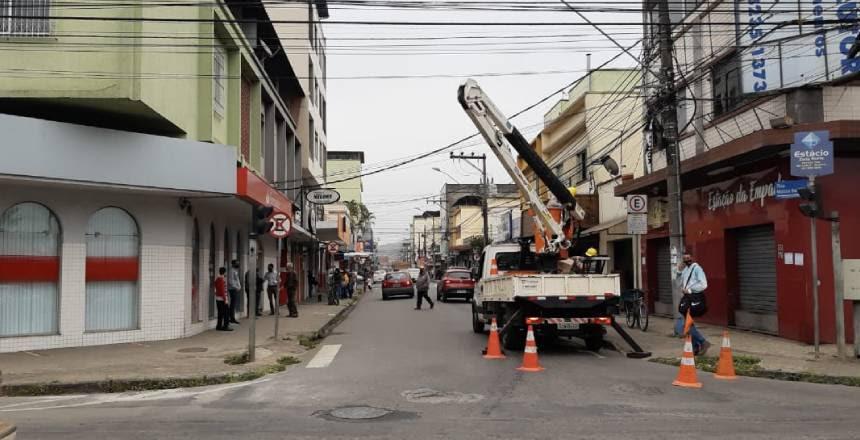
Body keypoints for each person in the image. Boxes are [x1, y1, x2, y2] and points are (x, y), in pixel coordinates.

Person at [673, 251, 712, 355]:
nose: (686, 260)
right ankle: (696, 347)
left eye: (688, 258)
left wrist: (690, 290)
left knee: (684, 324)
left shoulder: (697, 269)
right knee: (687, 323)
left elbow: (704, 285)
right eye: (684, 258)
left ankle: (703, 342)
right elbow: (678, 284)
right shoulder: (685, 270)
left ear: (693, 258)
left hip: (694, 298)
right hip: (687, 298)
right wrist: (678, 272)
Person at [214, 267, 232, 331]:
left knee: (220, 313)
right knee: (226, 313)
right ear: (224, 272)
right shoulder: (221, 279)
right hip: (222, 299)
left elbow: (216, 288)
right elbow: (222, 291)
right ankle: (225, 326)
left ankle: (218, 326)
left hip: (218, 299)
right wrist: (225, 299)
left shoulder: (217, 279)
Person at [227, 260, 242, 324]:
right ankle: (231, 318)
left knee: (234, 304)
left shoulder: (235, 270)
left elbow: (237, 280)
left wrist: (239, 286)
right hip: (233, 289)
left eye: (238, 263)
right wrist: (236, 287)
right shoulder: (231, 271)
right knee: (233, 304)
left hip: (236, 289)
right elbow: (230, 281)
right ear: (233, 264)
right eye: (236, 263)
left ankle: (232, 317)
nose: (238, 264)